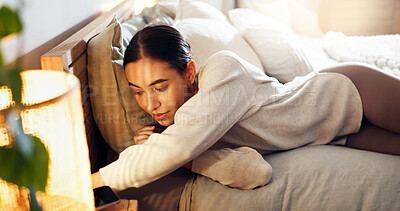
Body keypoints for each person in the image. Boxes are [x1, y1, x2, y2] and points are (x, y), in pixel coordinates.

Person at [91, 25, 400, 191]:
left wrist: (88, 183)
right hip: (338, 135)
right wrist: (187, 160)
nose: (150, 103)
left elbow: (176, 147)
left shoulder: (222, 71)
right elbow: (254, 172)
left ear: (188, 72)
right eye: (137, 92)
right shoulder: (184, 130)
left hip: (347, 91)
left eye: (160, 87)